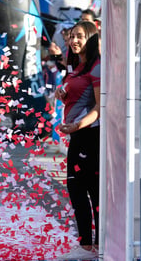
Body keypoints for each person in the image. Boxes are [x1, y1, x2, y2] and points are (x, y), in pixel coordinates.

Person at [55, 21, 100, 260]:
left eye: (80, 36)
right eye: (72, 36)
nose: (74, 41)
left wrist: (78, 125)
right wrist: (62, 96)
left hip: (90, 134)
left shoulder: (96, 67)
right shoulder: (78, 66)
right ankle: (89, 246)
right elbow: (77, 103)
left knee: (89, 189)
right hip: (77, 134)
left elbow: (98, 107)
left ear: (90, 38)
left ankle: (92, 247)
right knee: (77, 187)